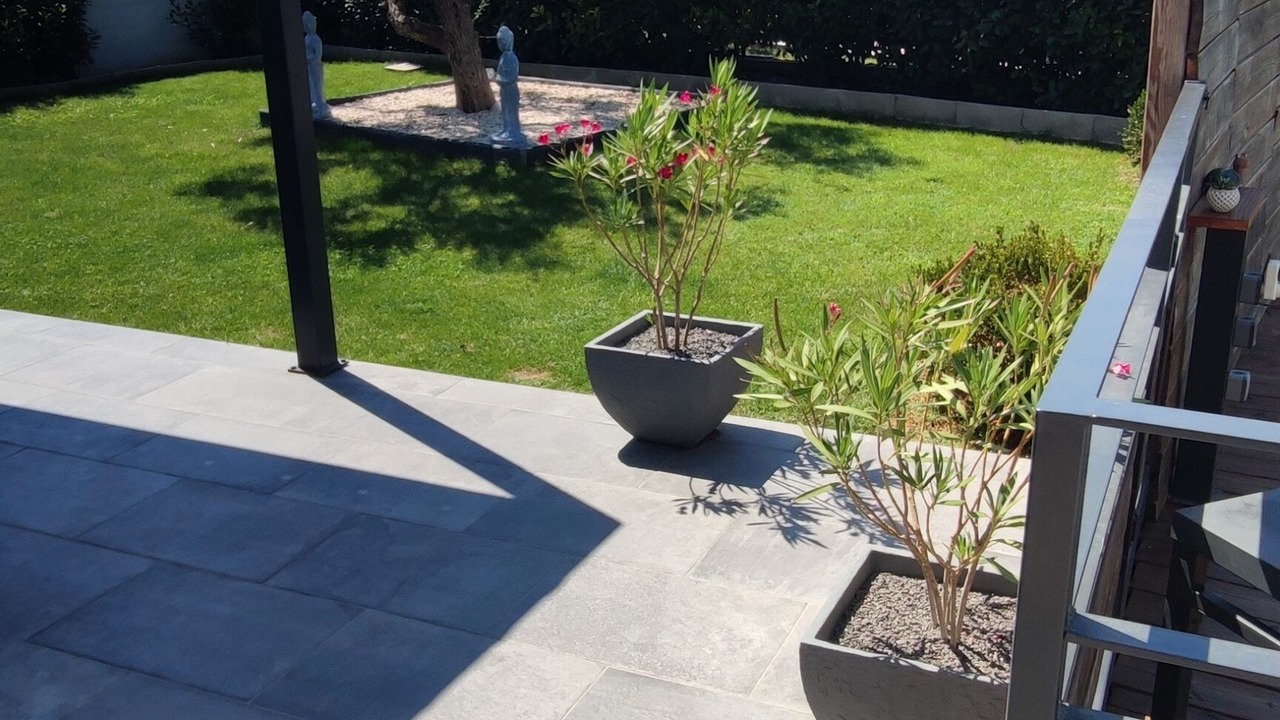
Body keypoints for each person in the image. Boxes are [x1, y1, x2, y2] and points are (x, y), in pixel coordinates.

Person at [491, 25, 526, 146]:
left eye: (502, 41)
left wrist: (499, 79)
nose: (500, 44)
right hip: (504, 89)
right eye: (499, 42)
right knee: (505, 109)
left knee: (511, 110)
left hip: (510, 89)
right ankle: (506, 128)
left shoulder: (511, 58)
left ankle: (513, 131)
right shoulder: (504, 56)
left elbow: (512, 76)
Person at [303, 12, 332, 120]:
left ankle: (320, 105)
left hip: (315, 66)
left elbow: (317, 55)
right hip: (309, 66)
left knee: (317, 85)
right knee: (310, 86)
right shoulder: (307, 38)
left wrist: (308, 58)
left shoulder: (315, 39)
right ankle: (313, 104)